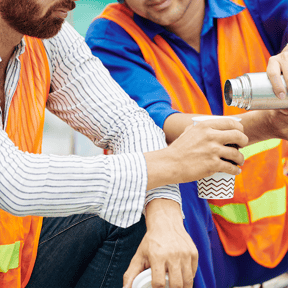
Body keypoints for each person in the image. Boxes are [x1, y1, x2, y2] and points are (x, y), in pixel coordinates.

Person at [0, 0, 249, 288]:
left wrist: (164, 214)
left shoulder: (46, 37)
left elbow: (128, 124)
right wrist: (174, 163)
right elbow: (15, 183)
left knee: (133, 212)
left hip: (17, 272)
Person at [86, 0, 288, 287]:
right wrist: (267, 125)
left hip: (275, 236)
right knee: (170, 164)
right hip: (195, 248)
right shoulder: (110, 38)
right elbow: (155, 128)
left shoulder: (254, 4)